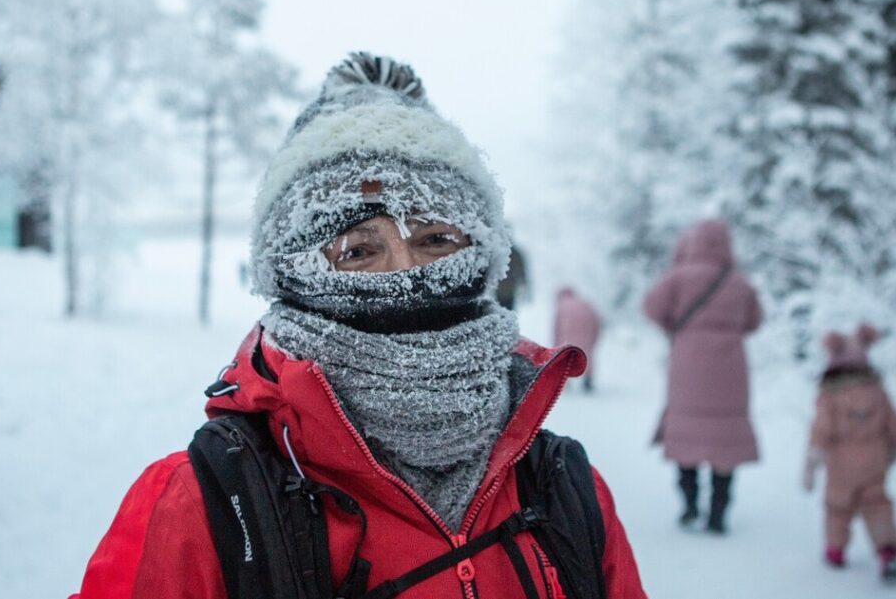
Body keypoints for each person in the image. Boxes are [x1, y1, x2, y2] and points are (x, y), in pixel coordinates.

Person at [70, 52, 646, 599]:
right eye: (357, 252)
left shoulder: (565, 489)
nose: (406, 274)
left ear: (482, 257)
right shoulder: (205, 504)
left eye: (435, 240)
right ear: (293, 274)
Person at [643, 218, 762, 533]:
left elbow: (651, 307)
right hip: (731, 369)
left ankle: (690, 506)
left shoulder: (678, 276)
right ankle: (718, 513)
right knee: (726, 441)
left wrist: (676, 326)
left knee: (686, 435)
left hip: (688, 363)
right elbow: (754, 321)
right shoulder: (740, 282)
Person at [802, 323, 896, 584]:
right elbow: (895, 426)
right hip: (874, 460)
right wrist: (893, 452)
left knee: (837, 507)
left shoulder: (830, 395)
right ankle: (887, 550)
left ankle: (835, 551)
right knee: (877, 505)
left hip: (840, 464)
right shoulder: (877, 391)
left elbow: (821, 429)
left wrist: (812, 462)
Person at [553, 286, 602, 392]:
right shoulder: (585, 304)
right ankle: (588, 380)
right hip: (587, 331)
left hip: (568, 333)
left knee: (566, 355)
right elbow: (597, 321)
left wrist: (555, 345)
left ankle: (564, 380)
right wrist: (594, 338)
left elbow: (557, 328)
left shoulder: (562, 306)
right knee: (587, 354)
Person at [495, 243, 528, 310]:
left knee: (500, 309)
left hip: (504, 289)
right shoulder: (515, 253)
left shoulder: (501, 251)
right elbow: (521, 270)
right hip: (506, 289)